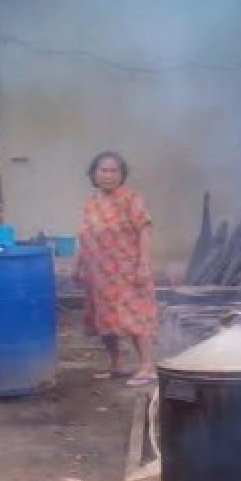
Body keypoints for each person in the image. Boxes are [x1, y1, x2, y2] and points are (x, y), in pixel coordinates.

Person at [74, 151, 158, 387]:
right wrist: (76, 264)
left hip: (127, 270)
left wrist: (143, 264)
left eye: (114, 171)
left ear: (122, 175)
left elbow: (145, 230)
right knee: (104, 319)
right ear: (94, 174)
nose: (109, 175)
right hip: (98, 273)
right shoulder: (91, 202)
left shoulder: (132, 199)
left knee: (136, 316)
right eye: (104, 170)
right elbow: (84, 235)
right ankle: (116, 364)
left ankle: (147, 367)